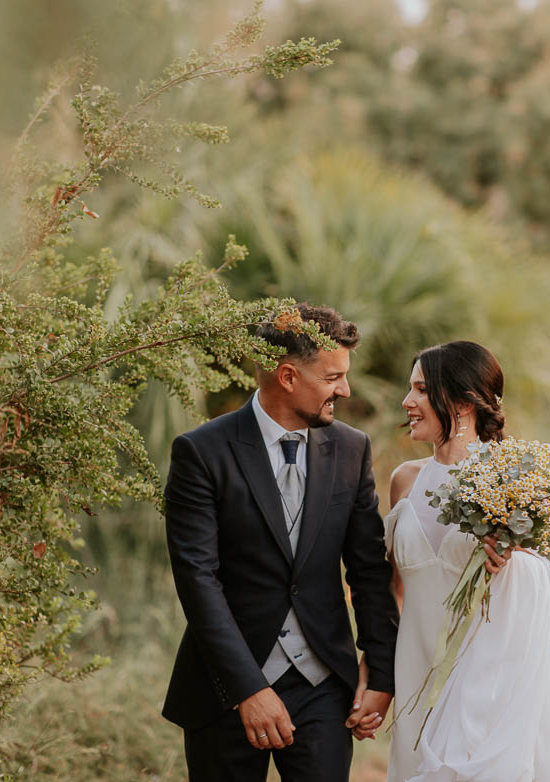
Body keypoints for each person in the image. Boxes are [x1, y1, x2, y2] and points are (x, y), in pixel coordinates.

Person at [161, 304, 398, 781]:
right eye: (332, 378)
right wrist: (247, 689)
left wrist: (383, 674)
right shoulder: (202, 452)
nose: (345, 390)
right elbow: (198, 579)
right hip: (223, 689)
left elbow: (368, 569)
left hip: (323, 686)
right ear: (288, 376)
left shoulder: (352, 450)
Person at [380, 340, 550, 781]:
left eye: (422, 390)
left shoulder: (512, 482)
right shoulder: (404, 481)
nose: (408, 402)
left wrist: (513, 564)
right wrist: (377, 671)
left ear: (464, 402)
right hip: (414, 667)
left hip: (478, 677)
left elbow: (535, 591)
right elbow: (395, 588)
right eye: (411, 389)